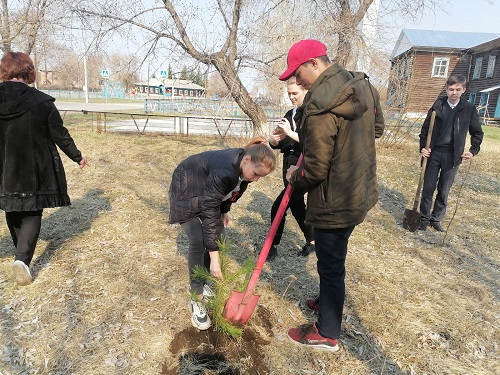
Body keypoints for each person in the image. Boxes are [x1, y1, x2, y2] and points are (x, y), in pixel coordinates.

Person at [278, 39, 384, 352]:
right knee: (334, 258)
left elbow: (315, 168)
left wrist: (293, 177)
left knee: (331, 265)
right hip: (359, 189)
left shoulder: (320, 102)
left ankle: (327, 332)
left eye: (298, 75)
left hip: (333, 200)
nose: (297, 82)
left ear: (314, 63)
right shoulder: (359, 83)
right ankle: (326, 302)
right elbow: (376, 128)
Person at [0, 51, 90, 286]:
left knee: (12, 205)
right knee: (32, 210)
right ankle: (22, 259)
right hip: (34, 167)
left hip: (4, 166)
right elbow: (59, 134)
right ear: (28, 71)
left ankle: (21, 253)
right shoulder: (41, 102)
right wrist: (77, 157)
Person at [168, 137, 276, 330]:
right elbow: (210, 209)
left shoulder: (244, 169)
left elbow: (233, 190)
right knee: (198, 239)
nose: (256, 180)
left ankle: (206, 282)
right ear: (246, 160)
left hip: (205, 190)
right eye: (257, 174)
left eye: (261, 177)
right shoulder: (225, 171)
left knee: (221, 236)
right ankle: (196, 295)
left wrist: (225, 209)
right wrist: (214, 257)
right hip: (187, 186)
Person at [418, 75, 483, 232]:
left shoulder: (468, 109)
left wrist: (473, 150)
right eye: (451, 89)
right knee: (428, 187)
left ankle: (436, 218)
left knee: (444, 189)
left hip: (453, 155)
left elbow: (477, 133)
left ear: (464, 90)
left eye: (458, 89)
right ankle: (424, 218)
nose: (454, 92)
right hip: (433, 153)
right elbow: (425, 130)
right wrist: (423, 147)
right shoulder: (437, 105)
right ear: (446, 89)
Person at [267, 77, 314, 260]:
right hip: (289, 164)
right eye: (289, 94)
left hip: (304, 166)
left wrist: (290, 133)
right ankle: (312, 241)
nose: (291, 97)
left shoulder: (312, 114)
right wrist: (273, 141)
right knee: (296, 206)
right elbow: (281, 141)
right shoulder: (290, 113)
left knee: (279, 206)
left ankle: (271, 247)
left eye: (295, 93)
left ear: (305, 91)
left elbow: (314, 142)